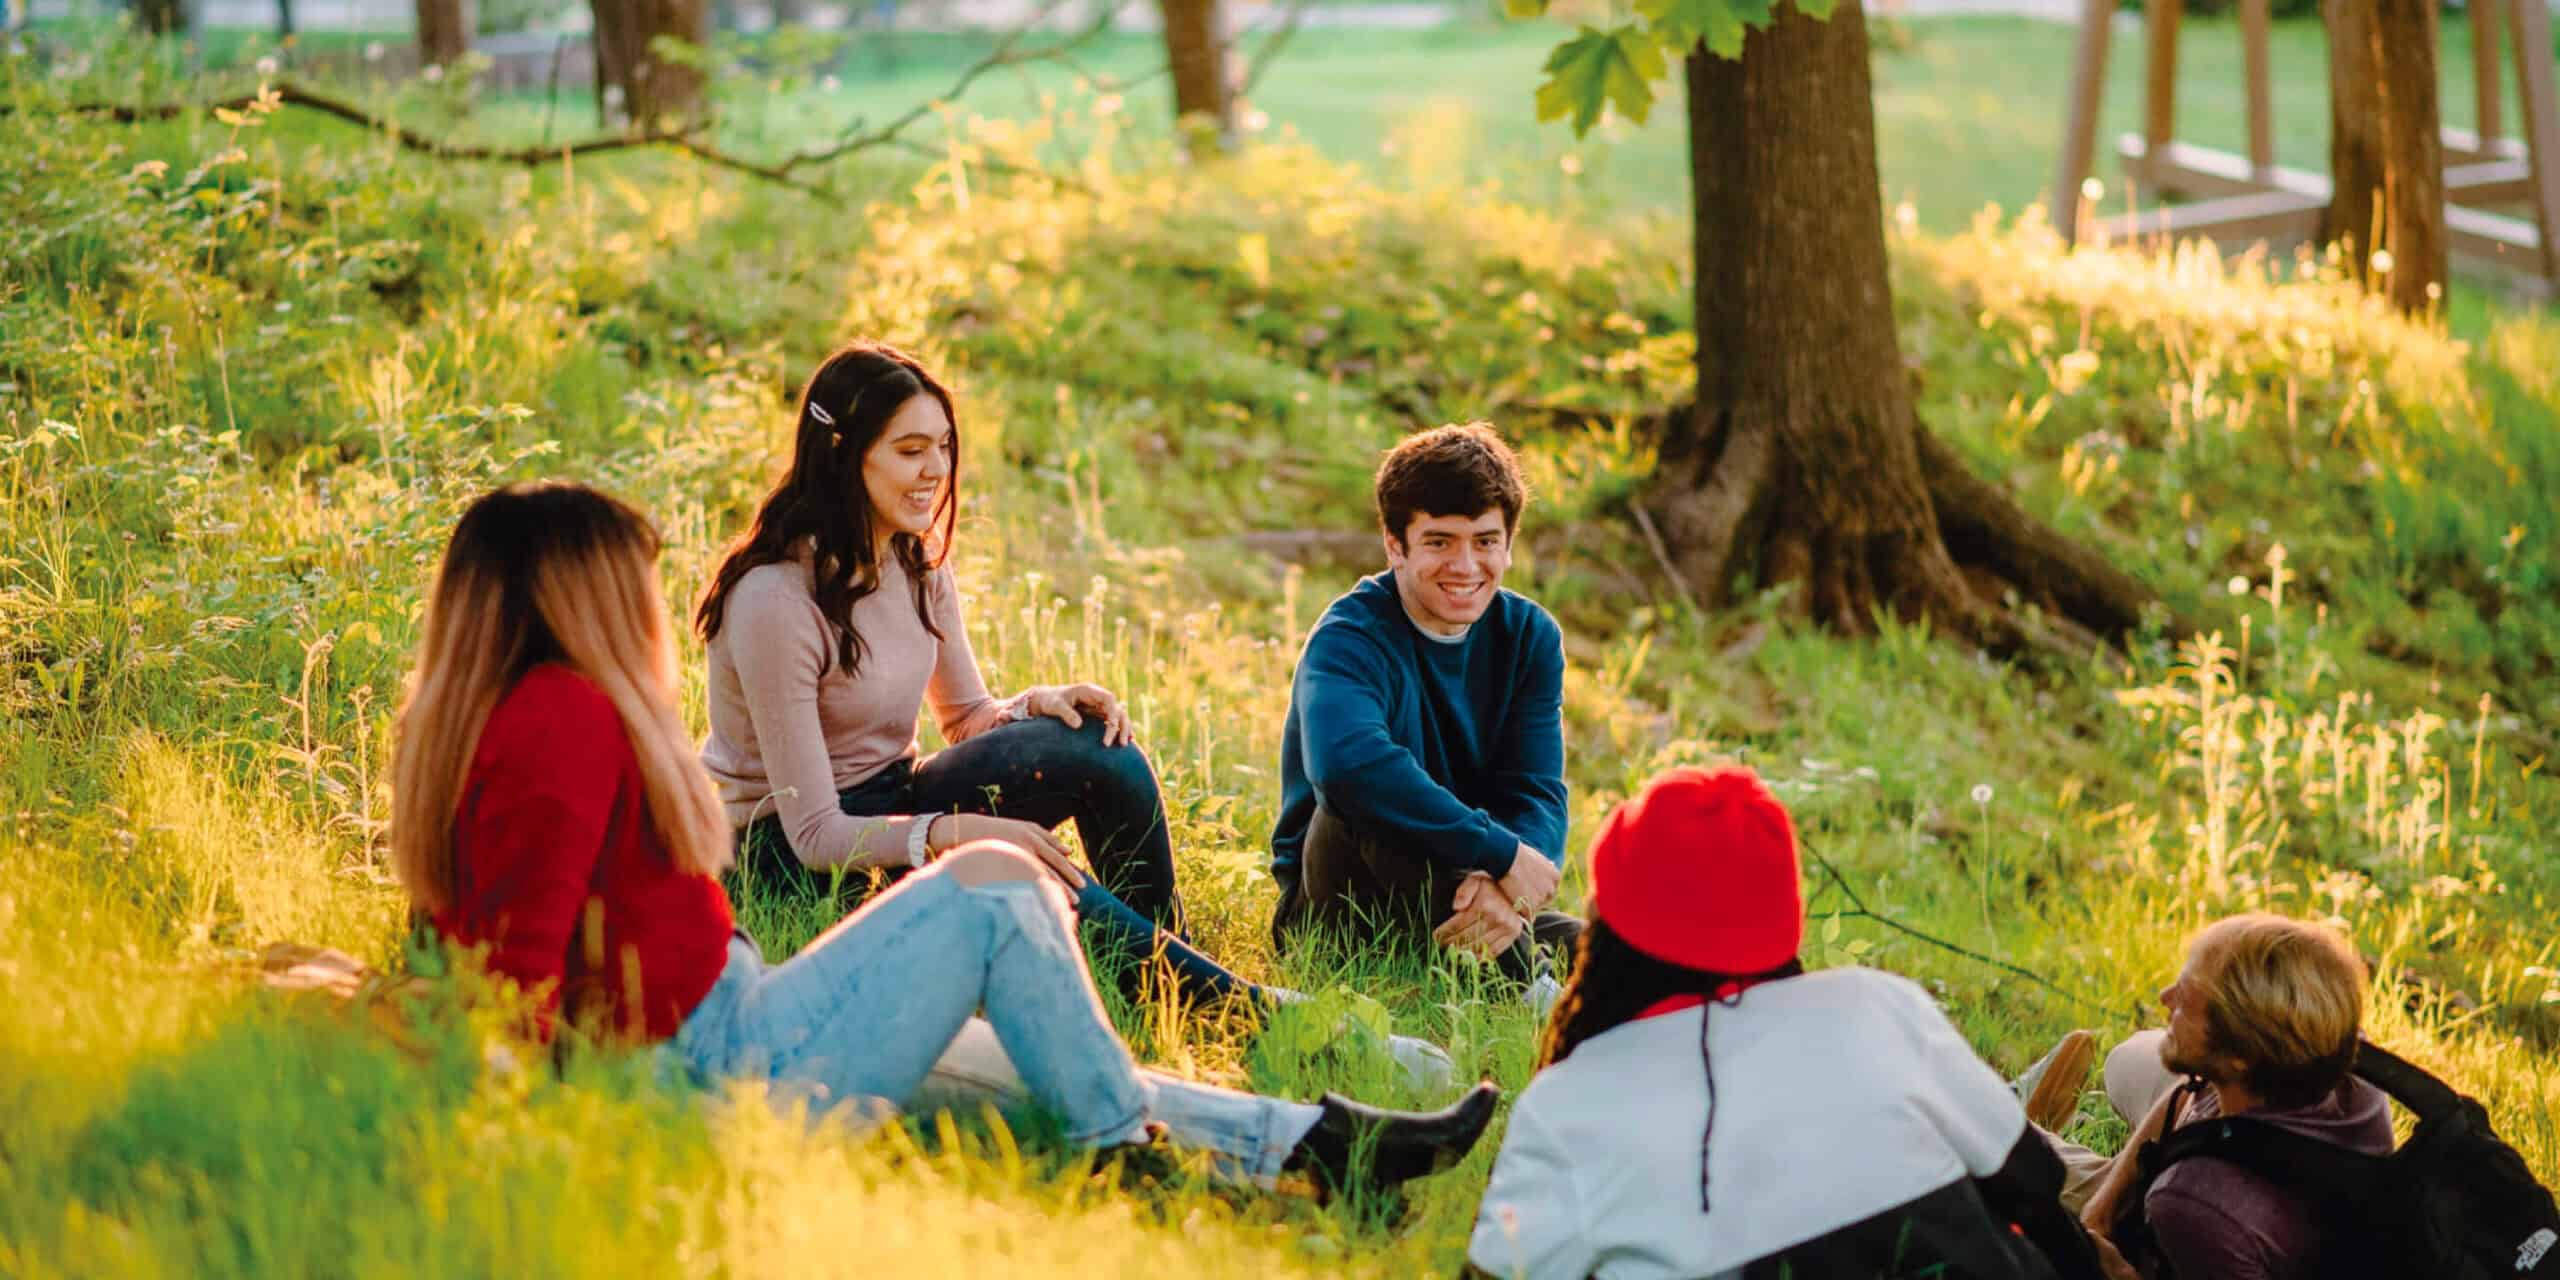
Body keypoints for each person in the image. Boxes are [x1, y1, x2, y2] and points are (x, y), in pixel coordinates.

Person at [389, 480, 1500, 1196]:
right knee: (992, 885)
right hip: (722, 1061)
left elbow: (470, 941)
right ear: (578, 592)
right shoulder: (564, 716)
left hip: (735, 1026)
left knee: (1055, 1061)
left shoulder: (493, 720)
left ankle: (1332, 1151)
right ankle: (1127, 1161)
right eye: (627, 581)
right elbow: (514, 970)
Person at [694, 341, 1259, 1012]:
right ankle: (1244, 1008)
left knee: (1094, 746)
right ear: (844, 453)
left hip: (891, 796)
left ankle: (1171, 973)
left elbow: (964, 718)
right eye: (910, 450)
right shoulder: (774, 600)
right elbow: (815, 834)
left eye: (943, 446)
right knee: (1031, 870)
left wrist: (1035, 704)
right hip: (786, 858)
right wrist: (962, 834)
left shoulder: (915, 563)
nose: (935, 470)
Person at [1466, 766, 2106, 1280]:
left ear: (1608, 928)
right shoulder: (1876, 1005)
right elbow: (2036, 1181)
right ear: (1782, 915)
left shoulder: (1569, 1104)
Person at [1267, 422, 1579, 988]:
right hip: (1342, 906)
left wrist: (1509, 886)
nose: (1465, 567)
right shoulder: (1350, 635)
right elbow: (1347, 768)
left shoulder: (1530, 635)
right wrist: (1501, 853)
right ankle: (1529, 991)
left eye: (1485, 541)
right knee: (1365, 795)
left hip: (1470, 897)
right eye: (1439, 542)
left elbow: (1536, 789)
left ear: (1508, 544)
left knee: (1610, 953)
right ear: (1395, 545)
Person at [2060, 914, 2394, 1280]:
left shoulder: (2192, 1203)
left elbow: (2197, 1205)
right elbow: (2197, 1089)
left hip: (2214, 1217)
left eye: (2185, 1000)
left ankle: (2009, 1114)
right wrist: (2103, 1208)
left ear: (2238, 1057)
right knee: (2124, 1060)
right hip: (2231, 1156)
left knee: (2028, 1184)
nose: (2164, 998)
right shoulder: (2332, 1048)